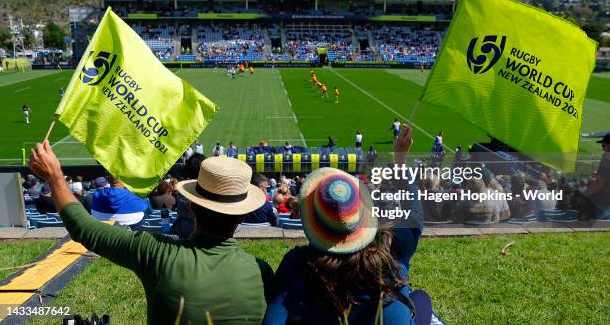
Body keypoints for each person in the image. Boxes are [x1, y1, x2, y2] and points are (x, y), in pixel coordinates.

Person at [28, 142, 275, 324]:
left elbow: (84, 227)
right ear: (242, 214)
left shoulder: (158, 254)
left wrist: (55, 177)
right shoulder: (261, 272)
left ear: (194, 205)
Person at [263, 125, 428, 324]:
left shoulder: (298, 264)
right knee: (420, 299)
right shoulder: (394, 250)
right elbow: (414, 214)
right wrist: (400, 160)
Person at [573, 134, 610, 219]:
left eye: (604, 145)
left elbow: (599, 183)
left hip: (604, 204)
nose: (603, 146)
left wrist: (583, 195)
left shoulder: (607, 159)